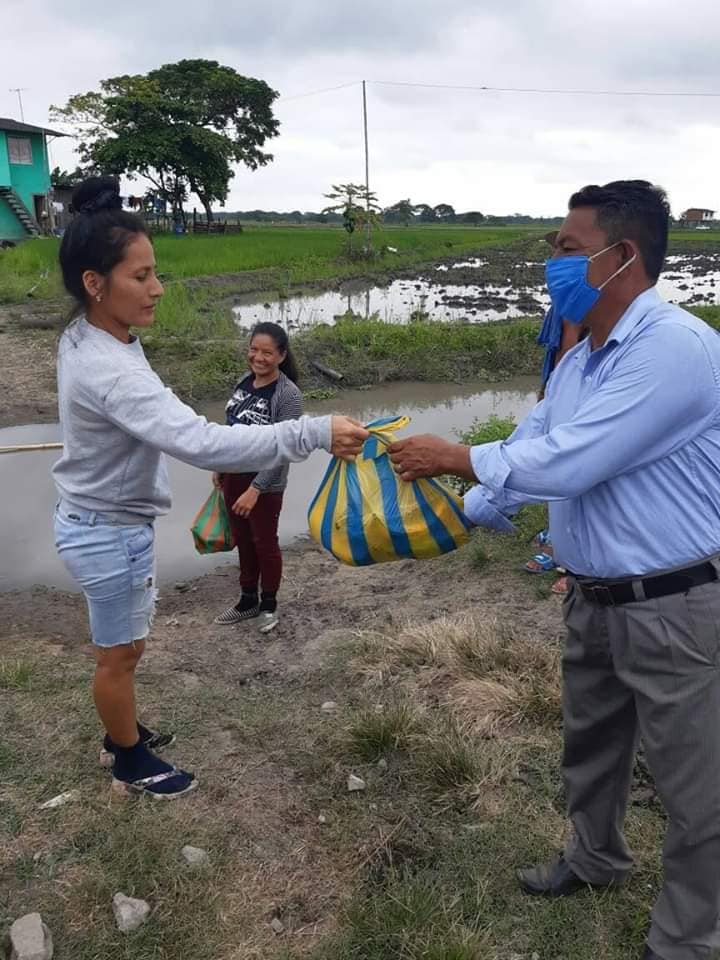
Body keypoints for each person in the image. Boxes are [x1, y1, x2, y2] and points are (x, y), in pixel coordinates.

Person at [388, 180, 720, 960]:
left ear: (623, 256)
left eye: (569, 249)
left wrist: (456, 457)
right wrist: (455, 516)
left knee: (695, 781)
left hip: (672, 605)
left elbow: (573, 461)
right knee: (592, 746)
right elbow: (533, 442)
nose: (553, 265)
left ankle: (689, 938)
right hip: (592, 596)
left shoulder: (674, 348)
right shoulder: (579, 361)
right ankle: (595, 859)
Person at [52, 177, 368, 801]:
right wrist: (312, 432)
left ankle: (122, 732)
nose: (158, 288)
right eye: (141, 276)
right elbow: (204, 444)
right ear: (95, 283)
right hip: (106, 530)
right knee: (119, 654)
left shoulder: (90, 335)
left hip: (104, 519)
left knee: (127, 645)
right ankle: (128, 760)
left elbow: (160, 423)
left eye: (155, 272)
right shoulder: (108, 368)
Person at [213, 322, 302, 632]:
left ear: (281, 356)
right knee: (243, 541)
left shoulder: (287, 395)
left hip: (265, 484)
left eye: (267, 353)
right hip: (234, 475)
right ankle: (247, 600)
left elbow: (285, 449)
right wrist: (220, 464)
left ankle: (268, 606)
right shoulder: (243, 381)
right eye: (254, 350)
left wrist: (256, 488)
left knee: (265, 543)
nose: (258, 358)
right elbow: (231, 427)